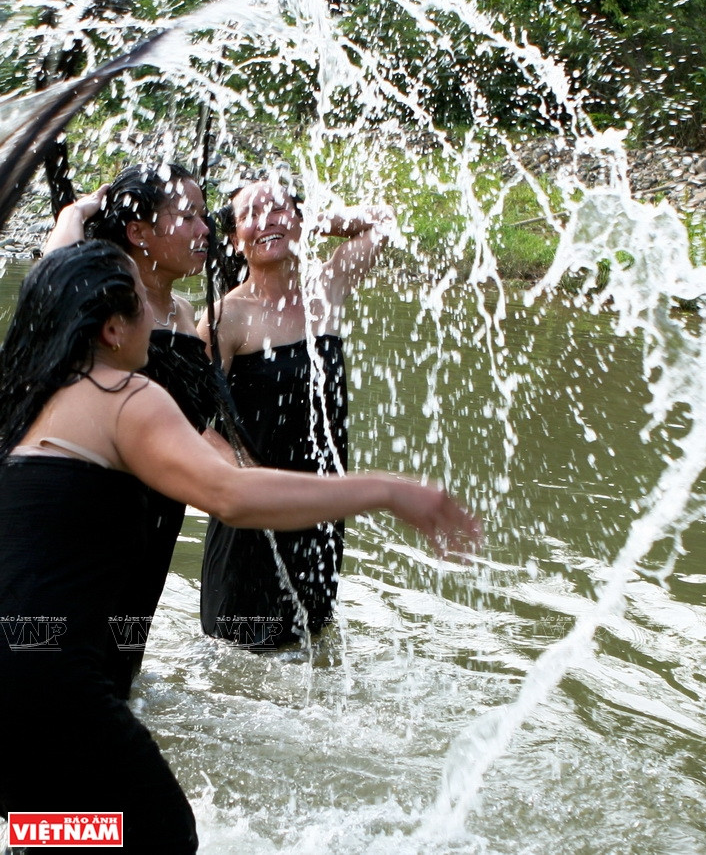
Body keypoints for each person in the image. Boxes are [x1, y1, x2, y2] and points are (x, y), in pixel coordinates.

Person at [0, 241, 479, 852]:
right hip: (45, 676)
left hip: (18, 666)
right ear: (113, 328)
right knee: (159, 835)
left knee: (54, 834)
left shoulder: (24, 398)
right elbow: (231, 497)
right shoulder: (121, 395)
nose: (158, 314)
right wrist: (386, 491)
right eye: (142, 303)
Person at [43, 163, 239, 698]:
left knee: (120, 672)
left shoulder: (181, 312)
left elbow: (189, 422)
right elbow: (54, 277)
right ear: (138, 232)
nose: (206, 230)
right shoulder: (108, 304)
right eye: (188, 217)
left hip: (156, 517)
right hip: (97, 511)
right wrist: (76, 212)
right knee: (76, 670)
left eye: (204, 216)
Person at [197, 170, 394, 649]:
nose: (265, 221)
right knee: (240, 653)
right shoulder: (225, 318)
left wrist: (313, 222)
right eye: (250, 215)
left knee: (309, 640)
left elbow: (384, 222)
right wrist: (244, 477)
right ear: (234, 239)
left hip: (322, 505)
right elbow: (193, 421)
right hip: (254, 508)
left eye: (278, 208)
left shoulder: (326, 289)